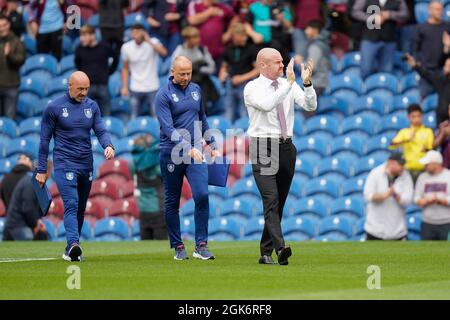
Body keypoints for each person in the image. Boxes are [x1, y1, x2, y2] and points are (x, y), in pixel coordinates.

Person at [244, 48, 317, 265]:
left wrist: (307, 84)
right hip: (262, 146)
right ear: (263, 65)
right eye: (278, 62)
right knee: (271, 199)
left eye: (282, 62)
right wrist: (288, 84)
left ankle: (265, 252)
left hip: (286, 148)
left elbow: (310, 105)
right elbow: (267, 105)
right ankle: (280, 248)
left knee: (279, 202)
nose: (283, 66)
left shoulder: (289, 85)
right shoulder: (252, 88)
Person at [36, 71, 115, 262]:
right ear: (69, 86)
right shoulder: (54, 108)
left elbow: (101, 129)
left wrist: (109, 145)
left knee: (80, 207)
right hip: (64, 164)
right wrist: (41, 169)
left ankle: (70, 248)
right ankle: (73, 244)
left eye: (86, 89)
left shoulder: (92, 106)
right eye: (80, 89)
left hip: (86, 164)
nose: (83, 93)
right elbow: (44, 140)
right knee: (71, 204)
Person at [155, 56, 220, 260]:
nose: (185, 77)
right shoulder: (163, 95)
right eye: (182, 73)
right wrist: (187, 147)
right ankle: (178, 246)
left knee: (202, 195)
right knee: (172, 201)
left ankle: (201, 245)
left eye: (189, 73)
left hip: (196, 152)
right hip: (171, 153)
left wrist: (213, 144)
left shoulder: (196, 90)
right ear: (172, 72)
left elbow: (202, 118)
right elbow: (168, 128)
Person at [351, 0, 409, 79]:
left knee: (386, 72)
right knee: (366, 69)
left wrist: (390, 15)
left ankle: (383, 90)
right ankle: (366, 88)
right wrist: (372, 18)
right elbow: (355, 12)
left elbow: (405, 15)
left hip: (389, 39)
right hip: (369, 38)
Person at [121, 23, 168, 118]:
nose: (135, 35)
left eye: (138, 32)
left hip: (152, 87)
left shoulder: (153, 42)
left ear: (143, 33)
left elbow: (164, 52)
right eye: (133, 33)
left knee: (156, 117)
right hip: (135, 87)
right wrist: (124, 86)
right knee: (134, 116)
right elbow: (125, 68)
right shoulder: (126, 47)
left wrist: (148, 40)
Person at [363, 152, 413, 240]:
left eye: (403, 164)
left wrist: (396, 196)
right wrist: (385, 195)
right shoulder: (375, 173)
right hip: (374, 230)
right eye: (400, 164)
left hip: (398, 231)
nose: (402, 167)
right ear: (390, 162)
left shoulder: (406, 176)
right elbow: (368, 196)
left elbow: (408, 200)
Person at [172, 26, 218, 114]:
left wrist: (200, 69)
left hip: (201, 85)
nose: (198, 39)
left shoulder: (202, 49)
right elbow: (173, 70)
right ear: (187, 39)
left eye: (198, 37)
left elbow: (212, 67)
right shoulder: (180, 51)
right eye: (195, 37)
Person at [218, 22, 259, 122]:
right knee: (228, 112)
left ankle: (245, 133)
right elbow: (224, 66)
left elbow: (258, 70)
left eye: (245, 35)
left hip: (246, 84)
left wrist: (242, 78)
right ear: (234, 36)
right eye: (241, 36)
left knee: (243, 112)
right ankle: (227, 131)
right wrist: (222, 74)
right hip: (231, 84)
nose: (244, 38)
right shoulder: (228, 49)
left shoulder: (251, 49)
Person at [75, 25, 118, 117]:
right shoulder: (79, 49)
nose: (81, 39)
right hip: (86, 88)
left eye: (84, 35)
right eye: (81, 36)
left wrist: (108, 72)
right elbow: (77, 63)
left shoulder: (104, 47)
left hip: (103, 86)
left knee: (106, 114)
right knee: (86, 116)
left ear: (92, 35)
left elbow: (115, 59)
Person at [131, 134, 167, 240]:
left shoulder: (132, 164)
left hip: (143, 210)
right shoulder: (157, 166)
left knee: (145, 245)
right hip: (159, 209)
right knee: (162, 248)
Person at [412, 1, 450, 98]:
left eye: (441, 10)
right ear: (430, 10)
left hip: (443, 72)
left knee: (443, 102)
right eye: (437, 9)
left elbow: (447, 52)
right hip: (426, 71)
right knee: (424, 99)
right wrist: (418, 62)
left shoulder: (447, 27)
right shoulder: (421, 27)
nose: (440, 12)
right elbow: (416, 48)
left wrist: (447, 46)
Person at [390, 104, 434, 183]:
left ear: (422, 116)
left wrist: (425, 150)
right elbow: (392, 145)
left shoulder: (428, 131)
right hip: (407, 169)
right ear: (408, 117)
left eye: (419, 116)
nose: (416, 119)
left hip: (423, 169)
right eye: (413, 116)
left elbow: (431, 149)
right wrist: (407, 140)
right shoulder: (404, 132)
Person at [404, 53, 450, 126]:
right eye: (445, 65)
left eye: (448, 66)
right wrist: (415, 66)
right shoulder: (442, 81)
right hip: (441, 121)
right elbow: (427, 75)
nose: (445, 68)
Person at [186, 0, 234, 70]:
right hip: (200, 53)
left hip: (219, 52)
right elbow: (192, 20)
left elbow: (235, 18)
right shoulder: (195, 4)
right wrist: (209, 13)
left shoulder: (222, 7)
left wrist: (228, 33)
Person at [3, 170, 48, 241]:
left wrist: (37, 222)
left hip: (21, 223)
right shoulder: (30, 183)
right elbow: (28, 208)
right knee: (28, 240)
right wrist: (35, 224)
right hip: (17, 224)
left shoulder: (32, 181)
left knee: (43, 235)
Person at [414, 150, 450, 240]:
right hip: (427, 222)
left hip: (447, 222)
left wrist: (440, 200)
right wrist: (425, 201)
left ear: (436, 164)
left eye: (427, 164)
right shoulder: (422, 177)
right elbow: (416, 197)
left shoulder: (448, 175)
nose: (425, 166)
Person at [245, 0, 293, 65]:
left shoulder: (281, 6)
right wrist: (253, 34)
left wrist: (282, 19)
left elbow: (289, 26)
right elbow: (247, 24)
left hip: (278, 45)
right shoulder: (254, 7)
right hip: (260, 45)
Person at [0, 13, 25, 120]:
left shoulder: (16, 41)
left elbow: (21, 60)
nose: (1, 28)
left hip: (11, 86)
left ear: (9, 25)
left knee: (9, 119)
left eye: (4, 25)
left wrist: (9, 55)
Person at [302, 20, 331, 98]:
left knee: (309, 109)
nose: (305, 31)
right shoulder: (322, 43)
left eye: (308, 29)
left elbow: (312, 67)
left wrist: (300, 63)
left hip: (316, 83)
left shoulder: (316, 46)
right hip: (319, 82)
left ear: (314, 30)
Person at [433, 104, 450, 169]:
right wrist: (443, 134)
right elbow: (434, 145)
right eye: (449, 109)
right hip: (446, 165)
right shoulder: (444, 125)